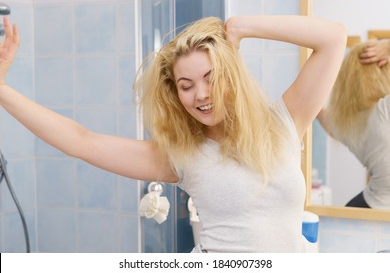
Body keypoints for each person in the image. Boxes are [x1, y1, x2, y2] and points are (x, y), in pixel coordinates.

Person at [0, 15, 346, 252]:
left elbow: (332, 39)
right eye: (186, 85)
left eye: (210, 77)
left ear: (232, 74)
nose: (201, 94)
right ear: (176, 95)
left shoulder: (284, 122)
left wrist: (242, 26)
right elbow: (81, 141)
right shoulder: (183, 155)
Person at [317, 40, 390, 210]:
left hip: (370, 206)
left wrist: (314, 103)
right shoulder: (384, 109)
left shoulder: (348, 125)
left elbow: (329, 124)